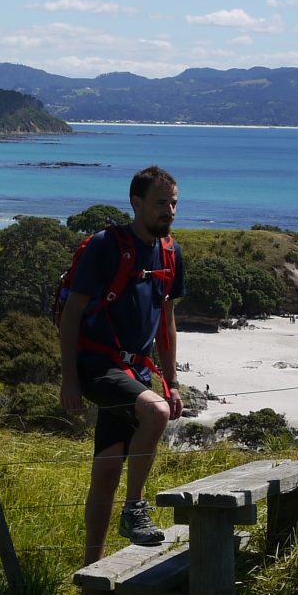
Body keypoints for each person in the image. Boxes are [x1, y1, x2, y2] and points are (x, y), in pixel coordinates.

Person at [60, 165, 185, 564]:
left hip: (138, 372)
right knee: (156, 412)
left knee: (107, 471)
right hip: (97, 365)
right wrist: (69, 379)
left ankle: (90, 573)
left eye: (174, 203)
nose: (169, 211)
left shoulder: (171, 253)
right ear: (136, 203)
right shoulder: (105, 246)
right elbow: (71, 314)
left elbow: (166, 322)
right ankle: (135, 509)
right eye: (161, 203)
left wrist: (172, 381)